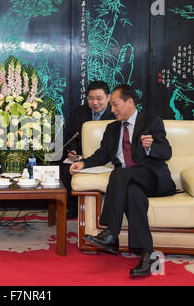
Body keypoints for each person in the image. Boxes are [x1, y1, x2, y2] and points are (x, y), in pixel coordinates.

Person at [70, 84, 175, 277]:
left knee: (119, 174)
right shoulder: (112, 129)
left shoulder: (151, 122)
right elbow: (102, 155)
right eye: (111, 105)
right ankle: (146, 253)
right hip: (130, 182)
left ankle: (111, 232)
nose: (112, 110)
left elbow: (166, 152)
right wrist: (82, 164)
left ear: (130, 102)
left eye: (115, 104)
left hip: (153, 178)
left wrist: (150, 147)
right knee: (133, 193)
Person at [61, 80, 115, 219]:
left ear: (108, 98)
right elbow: (71, 136)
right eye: (91, 99)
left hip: (107, 159)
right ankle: (71, 208)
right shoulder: (79, 112)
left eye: (99, 99)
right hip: (81, 157)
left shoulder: (115, 114)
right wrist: (72, 151)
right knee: (64, 168)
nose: (95, 103)